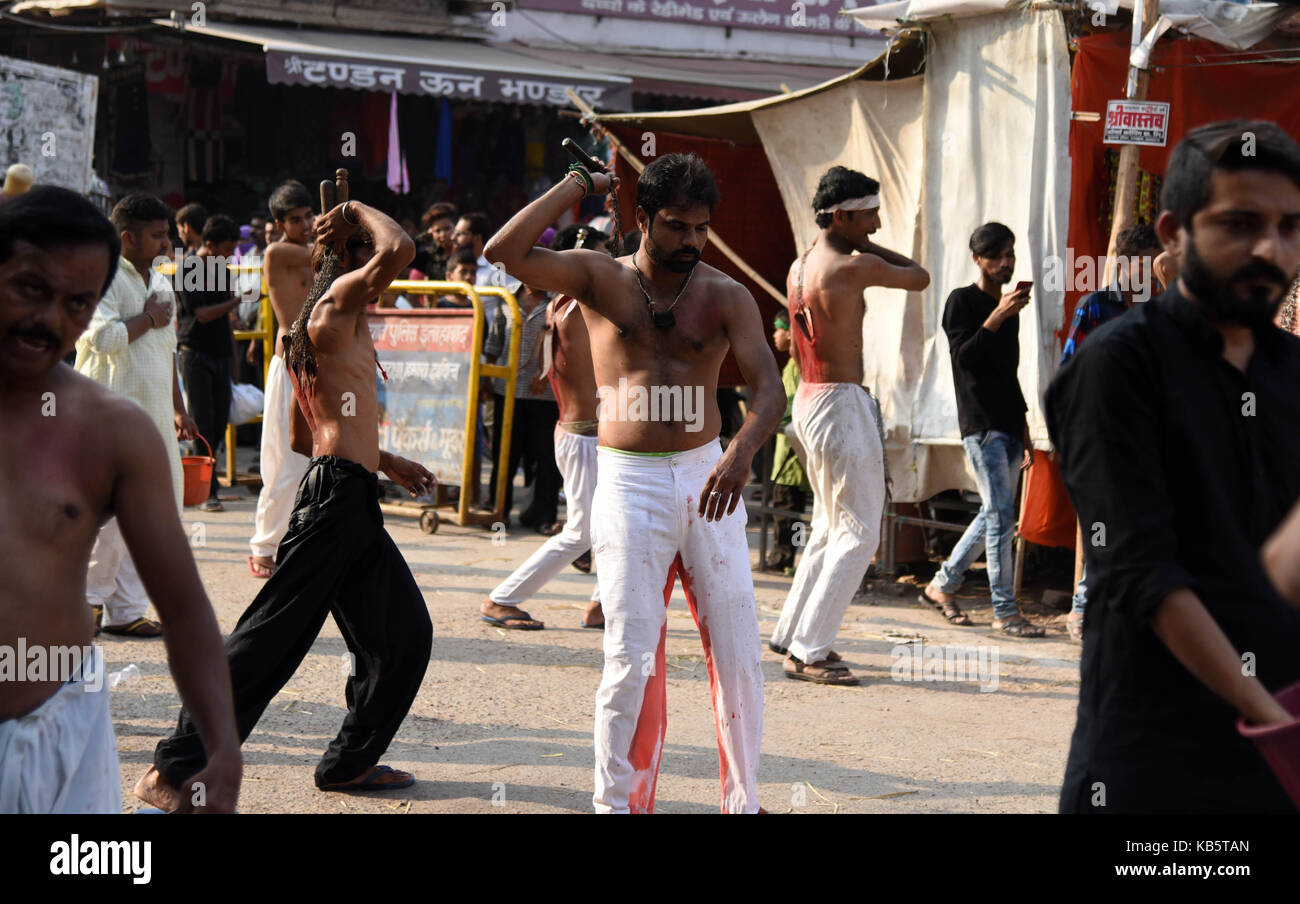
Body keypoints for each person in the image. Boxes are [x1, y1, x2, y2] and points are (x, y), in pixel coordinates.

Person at [486, 152, 784, 813]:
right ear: (643, 218)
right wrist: (576, 185)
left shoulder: (727, 295)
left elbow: (769, 389)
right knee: (629, 657)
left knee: (737, 655)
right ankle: (615, 806)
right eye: (677, 226)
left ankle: (744, 803)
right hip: (628, 481)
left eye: (703, 228)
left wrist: (739, 454)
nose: (692, 242)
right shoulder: (599, 279)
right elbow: (504, 251)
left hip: (711, 475)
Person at [137, 200, 437, 809]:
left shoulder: (322, 324)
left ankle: (349, 763)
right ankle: (172, 769)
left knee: (404, 635)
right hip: (334, 504)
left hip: (347, 497)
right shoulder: (332, 309)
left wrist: (388, 462)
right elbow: (401, 249)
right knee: (268, 641)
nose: (378, 275)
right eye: (362, 257)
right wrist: (354, 209)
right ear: (348, 260)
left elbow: (306, 437)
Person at [1048, 120, 1300, 813]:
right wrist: (1272, 723)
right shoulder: (1117, 367)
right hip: (1156, 765)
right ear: (1171, 233)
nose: (1268, 248)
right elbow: (1142, 575)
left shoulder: (1291, 374)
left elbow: (1278, 566)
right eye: (1239, 222)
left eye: (1289, 227)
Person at [0, 186, 241, 813]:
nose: (52, 319)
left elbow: (185, 607)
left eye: (77, 302)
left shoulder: (110, 433)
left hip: (68, 728)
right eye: (31, 288)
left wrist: (223, 747)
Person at [770, 166, 931, 685]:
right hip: (837, 403)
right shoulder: (849, 267)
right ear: (840, 216)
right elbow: (920, 276)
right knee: (860, 534)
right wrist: (869, 252)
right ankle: (809, 650)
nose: (877, 226)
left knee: (828, 526)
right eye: (868, 216)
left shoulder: (800, 266)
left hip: (811, 400)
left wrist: (859, 243)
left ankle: (793, 632)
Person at [75, 194, 201, 639]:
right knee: (112, 514)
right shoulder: (102, 277)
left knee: (150, 514)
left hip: (154, 416)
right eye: (158, 235)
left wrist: (179, 407)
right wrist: (148, 317)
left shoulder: (162, 279)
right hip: (110, 415)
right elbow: (103, 338)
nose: (168, 242)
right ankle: (85, 602)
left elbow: (167, 351)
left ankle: (126, 610)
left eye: (167, 233)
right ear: (127, 238)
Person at [921, 222, 1045, 637]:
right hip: (980, 426)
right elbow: (964, 359)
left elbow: (1009, 375)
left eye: (1010, 255)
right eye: (996, 256)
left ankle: (942, 586)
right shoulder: (963, 301)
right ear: (978, 259)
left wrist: (1025, 429)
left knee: (996, 516)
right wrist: (996, 316)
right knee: (999, 516)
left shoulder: (1009, 313)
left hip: (1009, 425)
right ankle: (1005, 612)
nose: (1005, 263)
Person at [480, 268, 605, 630]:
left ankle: (601, 605)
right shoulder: (579, 309)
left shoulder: (561, 306)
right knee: (582, 533)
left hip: (582, 433)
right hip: (584, 434)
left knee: (614, 527)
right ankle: (503, 598)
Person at [1059, 223, 1164, 640]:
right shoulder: (1097, 305)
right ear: (1126, 263)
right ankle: (1084, 608)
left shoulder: (1161, 310)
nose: (1155, 272)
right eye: (1148, 262)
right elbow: (1071, 370)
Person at [248, 181, 315, 579]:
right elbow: (323, 255)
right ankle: (264, 546)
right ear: (279, 223)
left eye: (309, 216)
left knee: (318, 459)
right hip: (292, 364)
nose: (305, 224)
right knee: (284, 460)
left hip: (322, 363)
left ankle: (296, 541)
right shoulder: (278, 252)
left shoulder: (318, 249)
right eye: (296, 219)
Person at [484, 283, 563, 538]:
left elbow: (565, 345)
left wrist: (548, 372)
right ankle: (499, 511)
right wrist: (487, 379)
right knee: (504, 454)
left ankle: (543, 516)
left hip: (546, 393)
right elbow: (493, 345)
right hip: (506, 390)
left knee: (546, 458)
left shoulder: (557, 301)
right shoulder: (504, 298)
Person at [176, 214, 241, 512]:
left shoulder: (223, 270)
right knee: (202, 424)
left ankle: (209, 485)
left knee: (218, 422)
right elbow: (202, 314)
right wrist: (236, 302)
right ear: (210, 244)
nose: (229, 255)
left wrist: (234, 358)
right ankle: (207, 491)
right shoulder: (188, 267)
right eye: (226, 249)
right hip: (195, 355)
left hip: (221, 356)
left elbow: (225, 319)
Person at [765, 312, 809, 574]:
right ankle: (790, 557)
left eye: (778, 329)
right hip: (793, 452)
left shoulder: (797, 366)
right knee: (795, 512)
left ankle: (783, 557)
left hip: (790, 455)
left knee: (787, 511)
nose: (774, 335)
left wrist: (769, 417)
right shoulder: (794, 364)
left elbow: (790, 403)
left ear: (790, 333)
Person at [415, 201, 458, 280]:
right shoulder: (430, 256)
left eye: (447, 228)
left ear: (455, 227)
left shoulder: (461, 252)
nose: (443, 235)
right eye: (437, 231)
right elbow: (408, 255)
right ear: (431, 232)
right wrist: (424, 236)